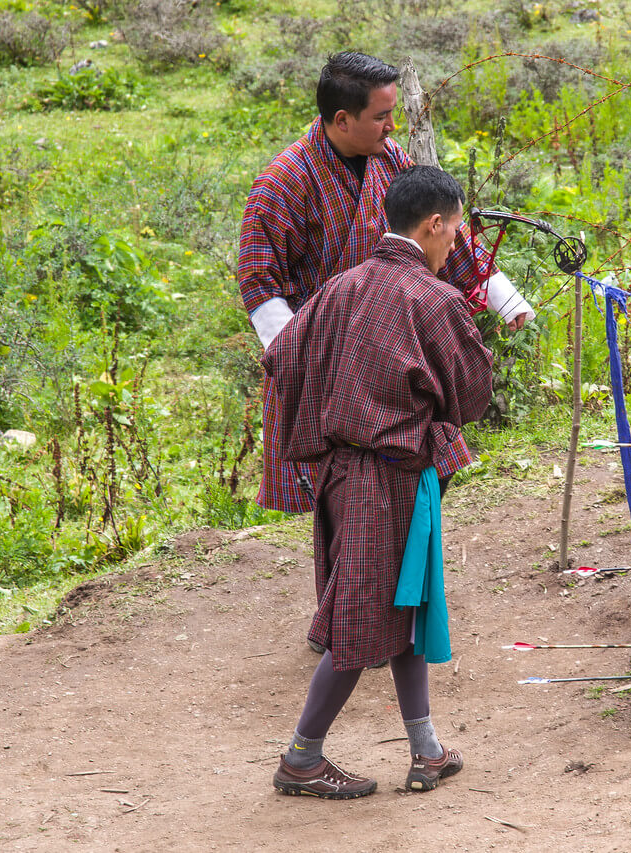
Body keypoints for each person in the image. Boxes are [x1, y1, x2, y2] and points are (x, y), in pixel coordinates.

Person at [261, 166, 492, 799]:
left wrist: (318, 430)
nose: (456, 245)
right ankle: (301, 758)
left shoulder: (343, 286)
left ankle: (427, 751)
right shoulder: (432, 300)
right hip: (387, 480)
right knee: (358, 618)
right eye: (455, 232)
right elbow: (472, 395)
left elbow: (281, 354)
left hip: (344, 473)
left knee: (404, 605)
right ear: (433, 225)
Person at [238, 51, 532, 515]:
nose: (393, 125)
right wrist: (300, 358)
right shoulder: (280, 184)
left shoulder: (389, 159)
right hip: (325, 355)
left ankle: (403, 573)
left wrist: (503, 297)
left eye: (394, 112)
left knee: (415, 473)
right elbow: (259, 279)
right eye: (381, 116)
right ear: (341, 119)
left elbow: (435, 232)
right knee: (341, 497)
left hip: (395, 349)